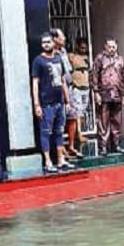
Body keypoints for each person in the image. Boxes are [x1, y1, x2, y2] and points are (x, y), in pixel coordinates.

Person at [32, 32, 73, 173]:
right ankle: (48, 161)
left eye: (48, 42)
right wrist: (37, 105)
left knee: (59, 132)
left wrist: (67, 101)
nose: (46, 45)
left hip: (59, 103)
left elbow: (63, 81)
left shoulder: (58, 58)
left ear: (53, 43)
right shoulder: (38, 61)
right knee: (45, 133)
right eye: (43, 43)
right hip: (46, 104)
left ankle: (61, 159)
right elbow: (35, 83)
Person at [91, 38, 124, 154]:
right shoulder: (99, 58)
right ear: (105, 47)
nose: (112, 49)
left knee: (117, 121)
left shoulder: (120, 60)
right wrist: (96, 92)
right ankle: (103, 147)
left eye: (113, 47)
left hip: (117, 94)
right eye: (109, 46)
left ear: (116, 47)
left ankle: (116, 145)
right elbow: (94, 76)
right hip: (104, 94)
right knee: (103, 121)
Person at [52, 29, 81, 159]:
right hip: (58, 89)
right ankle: (61, 149)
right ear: (55, 39)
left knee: (72, 116)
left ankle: (71, 145)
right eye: (62, 36)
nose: (64, 38)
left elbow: (68, 69)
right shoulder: (51, 53)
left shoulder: (63, 51)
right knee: (60, 120)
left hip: (69, 86)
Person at [67, 37, 91, 157]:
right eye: (81, 47)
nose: (83, 49)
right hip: (76, 88)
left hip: (85, 87)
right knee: (75, 112)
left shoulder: (87, 58)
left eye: (85, 47)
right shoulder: (71, 56)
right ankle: (78, 134)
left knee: (82, 112)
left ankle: (79, 133)